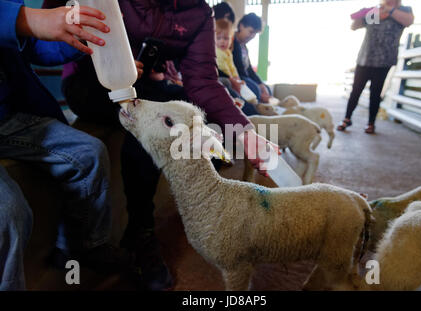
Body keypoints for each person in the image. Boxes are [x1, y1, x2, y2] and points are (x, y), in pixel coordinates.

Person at [44, 0, 278, 291]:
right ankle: (141, 231)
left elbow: (203, 82)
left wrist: (244, 131)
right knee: (151, 128)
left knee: (192, 110)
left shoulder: (198, 12)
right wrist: (111, 60)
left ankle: (196, 196)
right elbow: (54, 22)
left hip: (147, 84)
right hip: (90, 81)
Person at [0, 0, 132, 291]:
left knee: (90, 153)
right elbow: (27, 23)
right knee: (9, 213)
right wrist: (23, 18)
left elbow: (36, 48)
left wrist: (80, 36)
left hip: (8, 116)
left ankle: (84, 245)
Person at [337, 0, 414, 134]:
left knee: (375, 93)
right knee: (356, 91)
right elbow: (354, 26)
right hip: (365, 58)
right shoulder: (375, 11)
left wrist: (389, 10)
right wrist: (364, 14)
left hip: (384, 60)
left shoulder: (405, 10)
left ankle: (371, 123)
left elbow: (408, 21)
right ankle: (347, 118)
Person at [215, 18, 258, 115]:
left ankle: (252, 111)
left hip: (231, 78)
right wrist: (232, 79)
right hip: (221, 78)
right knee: (228, 85)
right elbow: (219, 68)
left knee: (245, 89)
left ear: (231, 39)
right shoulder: (215, 51)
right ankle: (249, 113)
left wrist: (237, 78)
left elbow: (233, 68)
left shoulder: (228, 53)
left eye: (226, 38)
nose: (222, 41)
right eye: (218, 38)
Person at [232, 13, 273, 104]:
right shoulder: (232, 42)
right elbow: (240, 71)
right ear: (241, 26)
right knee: (255, 89)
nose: (252, 36)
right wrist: (257, 86)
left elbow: (249, 69)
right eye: (251, 31)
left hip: (245, 77)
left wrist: (261, 84)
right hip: (238, 77)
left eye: (255, 33)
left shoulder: (244, 47)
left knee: (267, 89)